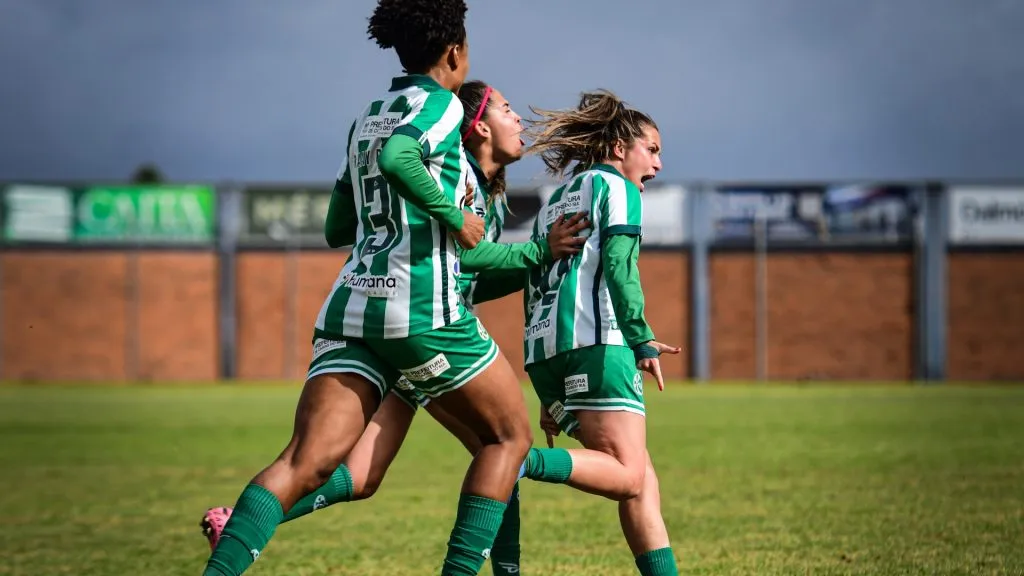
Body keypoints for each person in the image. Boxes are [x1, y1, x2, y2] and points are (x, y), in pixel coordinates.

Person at [199, 1, 555, 573]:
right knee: (507, 441)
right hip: (419, 311)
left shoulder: (369, 113)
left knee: (305, 463)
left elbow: (337, 226)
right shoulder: (440, 107)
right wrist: (452, 214)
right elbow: (398, 158)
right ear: (454, 52)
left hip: (353, 306)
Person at [510, 90, 683, 575]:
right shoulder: (617, 189)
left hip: (548, 355)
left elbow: (536, 283)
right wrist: (641, 337)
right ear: (618, 148)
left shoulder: (552, 204)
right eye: (652, 149)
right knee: (629, 476)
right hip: (598, 347)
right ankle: (518, 463)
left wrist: (547, 386)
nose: (659, 163)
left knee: (642, 479)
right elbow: (621, 268)